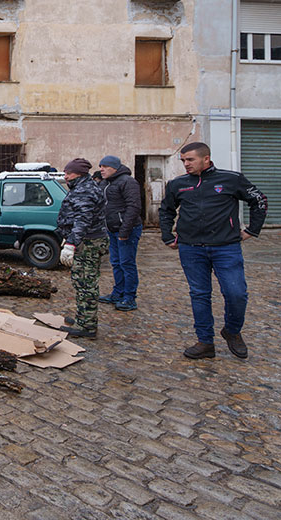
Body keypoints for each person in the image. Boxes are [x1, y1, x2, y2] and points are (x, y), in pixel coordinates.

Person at [159, 142, 267, 360]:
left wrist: (252, 230)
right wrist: (168, 236)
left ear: (206, 158)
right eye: (183, 161)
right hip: (191, 249)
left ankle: (232, 331)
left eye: (190, 160)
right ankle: (205, 342)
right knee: (199, 295)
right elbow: (166, 210)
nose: (185, 164)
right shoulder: (177, 184)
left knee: (236, 293)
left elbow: (259, 200)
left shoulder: (231, 179)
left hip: (225, 247)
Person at [56, 158, 108, 339]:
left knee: (85, 283)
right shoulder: (85, 187)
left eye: (68, 173)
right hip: (88, 241)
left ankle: (87, 326)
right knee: (82, 282)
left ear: (79, 174)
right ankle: (83, 317)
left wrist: (71, 243)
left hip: (88, 243)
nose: (66, 177)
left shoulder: (84, 191)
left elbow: (82, 220)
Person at [97, 155, 143, 312]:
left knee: (127, 263)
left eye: (105, 166)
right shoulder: (106, 183)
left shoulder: (127, 182)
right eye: (100, 166)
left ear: (114, 168)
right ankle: (118, 293)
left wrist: (125, 230)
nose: (101, 169)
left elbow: (134, 206)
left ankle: (129, 297)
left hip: (127, 230)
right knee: (116, 263)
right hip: (112, 230)